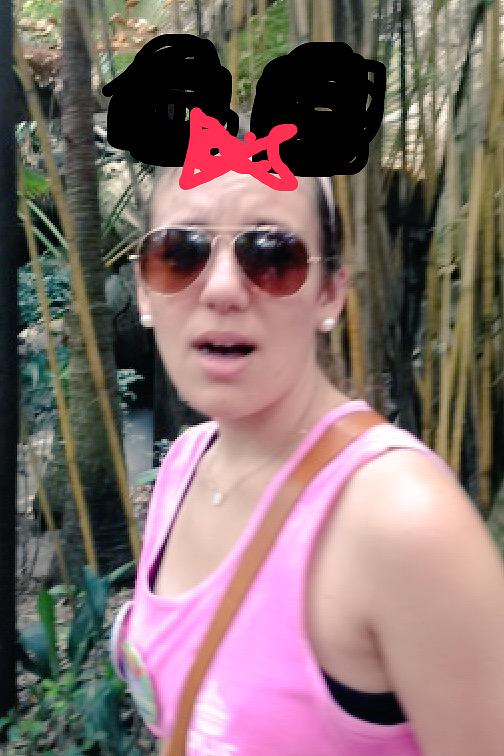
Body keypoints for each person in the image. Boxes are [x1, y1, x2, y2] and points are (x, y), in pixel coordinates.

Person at [111, 168, 504, 756]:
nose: (222, 288)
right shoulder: (185, 465)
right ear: (144, 290)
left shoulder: (402, 520)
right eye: (181, 253)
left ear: (330, 295)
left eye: (273, 255)